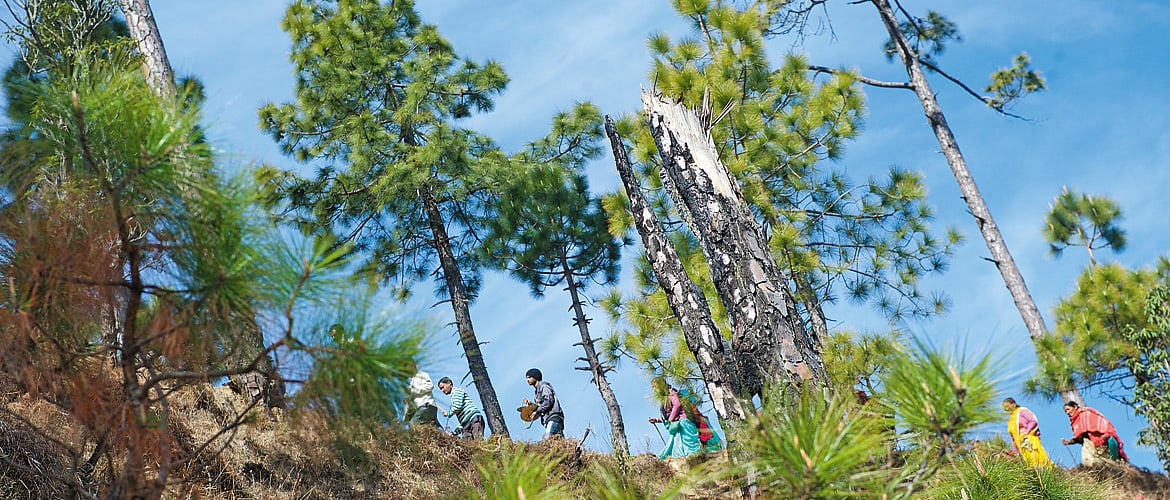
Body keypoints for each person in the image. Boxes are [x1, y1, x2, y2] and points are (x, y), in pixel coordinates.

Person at [1060, 401, 1128, 466]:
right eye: (1065, 411)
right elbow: (1079, 437)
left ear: (1075, 407)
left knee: (1105, 464)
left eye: (1068, 409)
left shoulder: (1085, 415)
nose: (1067, 412)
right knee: (1090, 463)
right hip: (1090, 445)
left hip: (1102, 444)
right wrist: (1069, 442)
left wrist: (1105, 435)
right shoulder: (1075, 422)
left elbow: (1104, 427)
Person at [648, 379, 701, 459]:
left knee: (686, 447)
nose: (654, 389)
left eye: (655, 387)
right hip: (678, 424)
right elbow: (668, 415)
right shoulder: (664, 398)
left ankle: (694, 460)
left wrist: (671, 419)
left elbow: (677, 405)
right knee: (677, 447)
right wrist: (657, 420)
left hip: (684, 422)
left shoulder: (671, 392)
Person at [1002, 397, 1053, 467]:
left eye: (1008, 406)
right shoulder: (1011, 420)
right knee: (1029, 461)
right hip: (1020, 443)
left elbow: (1033, 421)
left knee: (1036, 456)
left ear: (1013, 404)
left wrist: (1026, 433)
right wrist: (1015, 451)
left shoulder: (1021, 411)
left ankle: (1045, 470)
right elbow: (1013, 437)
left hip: (1029, 438)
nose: (1007, 409)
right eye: (1005, 408)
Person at [522, 368, 564, 439]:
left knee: (547, 438)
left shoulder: (544, 386)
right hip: (549, 419)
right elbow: (542, 405)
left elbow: (548, 401)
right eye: (527, 378)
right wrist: (530, 404)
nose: (527, 380)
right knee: (558, 442)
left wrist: (537, 411)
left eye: (529, 377)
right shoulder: (537, 391)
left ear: (535, 377)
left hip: (554, 417)